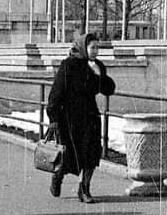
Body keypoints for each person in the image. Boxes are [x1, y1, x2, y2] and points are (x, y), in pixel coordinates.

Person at [46, 31, 116, 203]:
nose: (95, 51)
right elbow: (56, 92)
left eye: (97, 48)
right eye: (92, 47)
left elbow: (108, 90)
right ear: (83, 47)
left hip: (90, 116)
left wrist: (99, 75)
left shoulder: (97, 65)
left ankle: (84, 189)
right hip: (70, 118)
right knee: (69, 156)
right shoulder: (68, 65)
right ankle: (58, 176)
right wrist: (53, 118)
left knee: (92, 154)